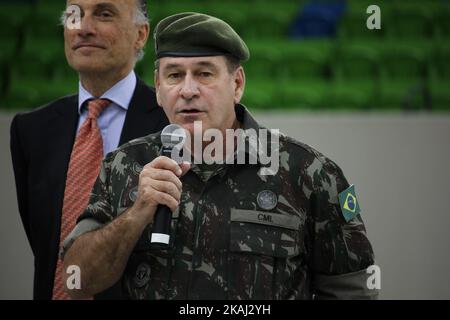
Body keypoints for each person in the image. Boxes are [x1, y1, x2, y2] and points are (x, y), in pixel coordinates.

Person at [62, 12, 378, 299]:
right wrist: (136, 214)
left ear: (237, 83)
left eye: (204, 74)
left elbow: (353, 292)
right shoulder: (122, 166)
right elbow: (77, 282)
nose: (187, 90)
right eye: (174, 76)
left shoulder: (309, 173)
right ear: (158, 88)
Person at [9, 0, 168, 300]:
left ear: (140, 34)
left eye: (104, 14)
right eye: (73, 15)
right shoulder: (30, 130)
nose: (83, 28)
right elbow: (44, 244)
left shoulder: (172, 126)